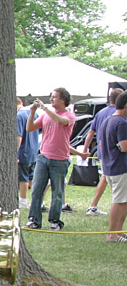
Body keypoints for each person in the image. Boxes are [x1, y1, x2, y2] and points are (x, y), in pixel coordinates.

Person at [26, 88, 89, 230]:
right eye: (51, 97)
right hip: (43, 157)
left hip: (60, 160)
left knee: (57, 192)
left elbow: (60, 121)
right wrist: (32, 112)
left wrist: (44, 109)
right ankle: (34, 220)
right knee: (36, 190)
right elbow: (30, 128)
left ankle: (55, 221)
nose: (51, 99)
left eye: (54, 97)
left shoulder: (69, 116)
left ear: (63, 100)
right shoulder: (46, 115)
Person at [82, 84, 124, 216]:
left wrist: (85, 149)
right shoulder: (119, 116)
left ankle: (93, 205)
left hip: (103, 151)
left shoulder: (101, 113)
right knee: (116, 190)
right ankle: (93, 206)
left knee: (106, 178)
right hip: (116, 155)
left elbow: (91, 132)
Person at [100, 90, 127, 242]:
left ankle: (120, 231)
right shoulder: (122, 122)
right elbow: (124, 146)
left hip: (110, 166)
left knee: (123, 200)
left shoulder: (108, 120)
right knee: (119, 201)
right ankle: (113, 234)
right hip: (120, 168)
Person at [16, 97, 40, 209]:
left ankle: (23, 200)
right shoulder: (33, 113)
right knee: (31, 176)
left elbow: (18, 137)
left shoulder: (19, 116)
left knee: (23, 178)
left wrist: (15, 153)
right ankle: (34, 200)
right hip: (33, 150)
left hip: (23, 151)